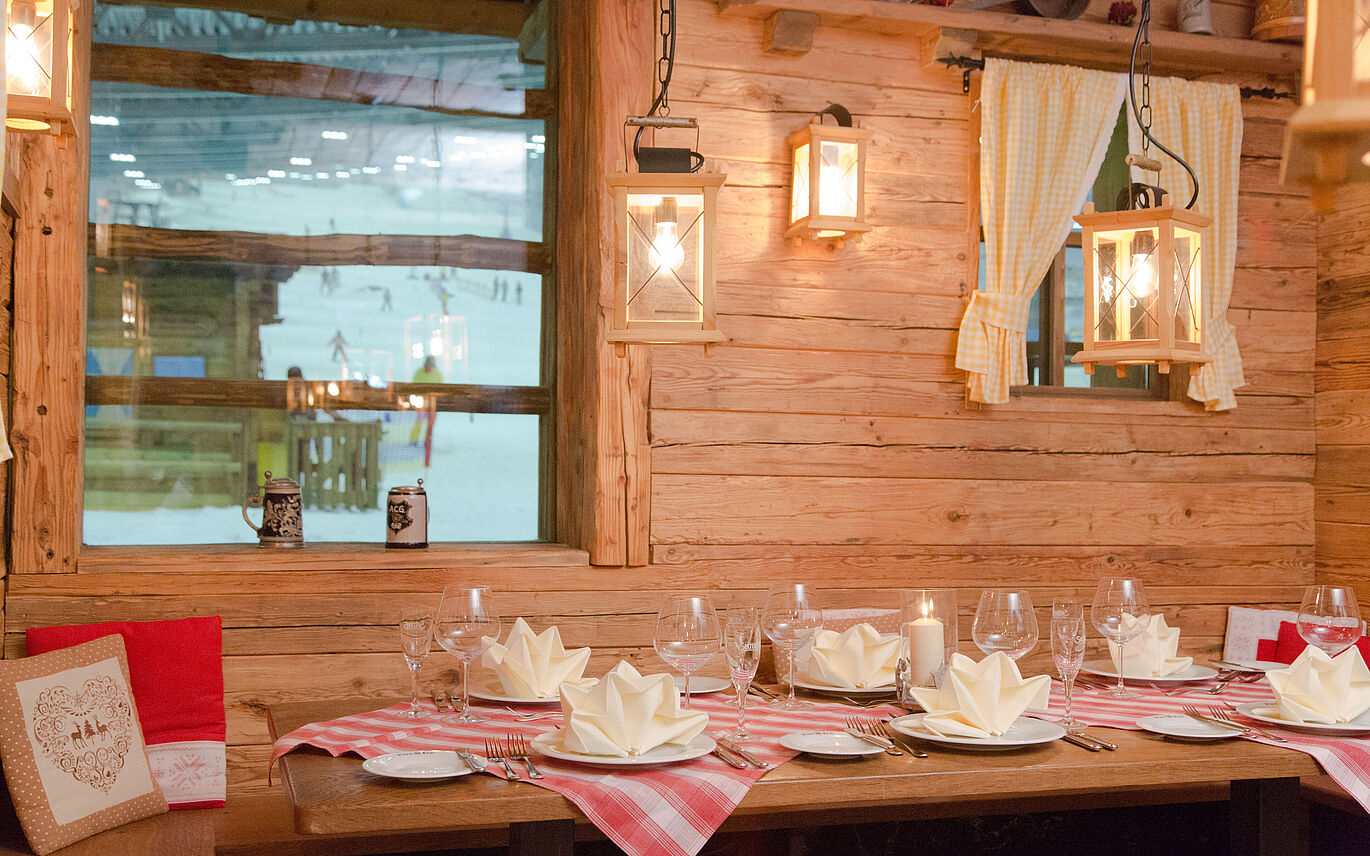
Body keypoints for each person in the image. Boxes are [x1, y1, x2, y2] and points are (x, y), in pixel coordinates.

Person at [408, 357, 443, 464]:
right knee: (419, 420)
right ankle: (413, 440)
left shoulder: (437, 374)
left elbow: (440, 388)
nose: (428, 368)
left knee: (430, 424)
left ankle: (427, 442)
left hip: (432, 402)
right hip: (421, 401)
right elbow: (414, 385)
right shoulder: (419, 372)